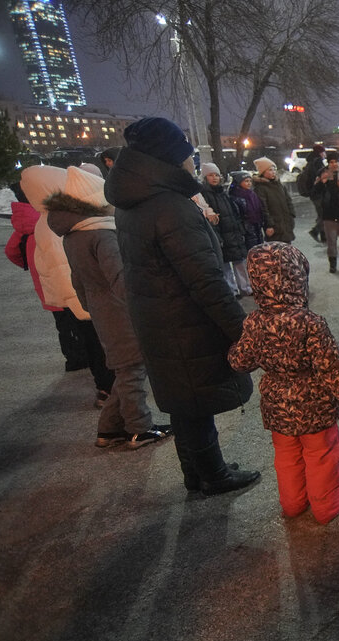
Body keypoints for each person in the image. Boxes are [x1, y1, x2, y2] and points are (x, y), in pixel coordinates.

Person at [106, 116, 259, 496]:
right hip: (182, 320)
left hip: (158, 317)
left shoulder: (134, 200)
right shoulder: (169, 207)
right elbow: (206, 281)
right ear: (170, 158)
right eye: (188, 153)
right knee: (194, 400)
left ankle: (198, 471)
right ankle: (213, 476)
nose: (192, 160)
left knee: (184, 401)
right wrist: (244, 332)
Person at [228, 242, 339, 524]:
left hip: (277, 406)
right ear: (297, 278)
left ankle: (293, 504)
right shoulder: (310, 322)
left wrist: (235, 349)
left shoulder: (255, 322)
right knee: (321, 457)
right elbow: (330, 371)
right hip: (314, 405)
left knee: (286, 458)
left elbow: (240, 362)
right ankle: (327, 505)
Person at [46, 166, 172, 449]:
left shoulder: (74, 235)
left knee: (125, 370)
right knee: (133, 370)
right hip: (120, 311)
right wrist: (144, 308)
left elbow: (77, 280)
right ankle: (139, 428)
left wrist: (91, 307)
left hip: (102, 309)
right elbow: (120, 277)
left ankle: (109, 428)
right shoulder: (101, 233)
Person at [20, 165, 114, 406]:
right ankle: (108, 389)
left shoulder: (49, 221)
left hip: (80, 297)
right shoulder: (57, 225)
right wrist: (82, 302)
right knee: (98, 346)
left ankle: (107, 388)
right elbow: (66, 267)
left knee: (95, 345)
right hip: (84, 298)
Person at [4, 181, 92, 375]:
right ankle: (84, 356)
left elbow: (11, 251)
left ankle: (73, 358)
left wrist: (31, 266)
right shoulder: (51, 220)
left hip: (45, 285)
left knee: (62, 323)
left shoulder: (23, 226)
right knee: (79, 320)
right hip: (66, 281)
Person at [199, 163, 251, 295]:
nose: (214, 178)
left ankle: (245, 287)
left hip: (233, 233)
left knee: (239, 261)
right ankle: (232, 290)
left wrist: (240, 230)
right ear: (205, 177)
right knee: (226, 264)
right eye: (211, 175)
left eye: (217, 175)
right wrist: (217, 237)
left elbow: (234, 214)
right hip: (221, 234)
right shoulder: (204, 196)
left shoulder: (223, 193)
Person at [253, 156, 295, 243]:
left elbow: (288, 200)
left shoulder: (279, 185)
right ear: (263, 172)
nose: (273, 172)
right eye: (270, 170)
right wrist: (269, 225)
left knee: (287, 252)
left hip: (286, 224)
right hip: (274, 227)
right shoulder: (260, 188)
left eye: (274, 169)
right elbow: (263, 208)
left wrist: (291, 215)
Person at [228, 171, 266, 253]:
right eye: (246, 181)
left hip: (256, 227)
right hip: (246, 230)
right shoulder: (235, 197)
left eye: (250, 181)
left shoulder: (252, 194)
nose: (249, 183)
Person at [296, 144, 326, 243]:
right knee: (324, 214)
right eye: (323, 152)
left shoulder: (311, 162)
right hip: (317, 192)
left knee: (321, 214)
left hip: (313, 192)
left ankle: (323, 236)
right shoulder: (317, 162)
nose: (324, 154)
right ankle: (316, 231)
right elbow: (319, 177)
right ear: (320, 153)